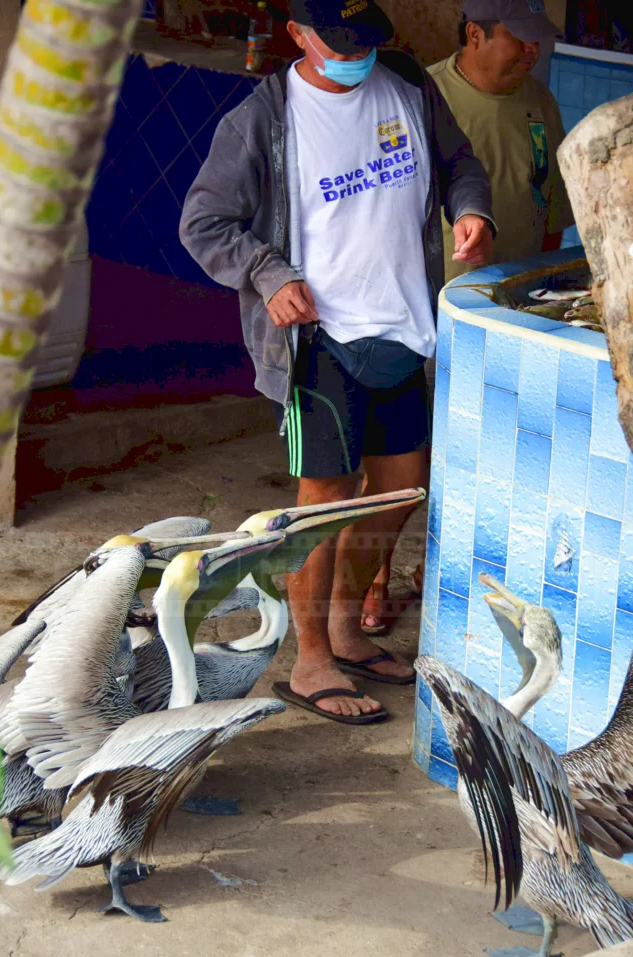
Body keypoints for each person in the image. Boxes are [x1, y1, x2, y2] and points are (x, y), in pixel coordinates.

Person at [180, 0, 494, 724]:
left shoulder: (408, 84)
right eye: (340, 43)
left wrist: (469, 209)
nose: (360, 56)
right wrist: (268, 273)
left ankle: (348, 627)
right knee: (322, 504)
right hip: (320, 342)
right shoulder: (261, 120)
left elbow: (457, 163)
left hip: (406, 329)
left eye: (367, 42)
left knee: (396, 495)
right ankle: (311, 657)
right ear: (297, 35)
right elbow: (204, 221)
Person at [362, 0, 575, 635]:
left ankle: (458, 575)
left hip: (514, 318)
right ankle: (374, 582)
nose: (532, 51)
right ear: (475, 34)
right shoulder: (421, 95)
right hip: (432, 313)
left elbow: (551, 206)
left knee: (496, 458)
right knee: (405, 460)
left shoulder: (541, 102)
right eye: (521, 38)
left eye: (539, 40)